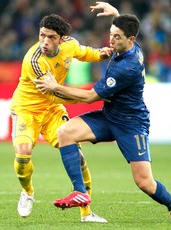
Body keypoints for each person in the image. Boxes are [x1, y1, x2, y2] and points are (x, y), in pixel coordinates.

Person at [34, 2, 171, 218]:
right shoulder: (129, 44)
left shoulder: (128, 67)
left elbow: (90, 97)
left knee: (144, 182)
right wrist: (116, 13)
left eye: (117, 37)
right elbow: (123, 27)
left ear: (131, 40)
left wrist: (55, 88)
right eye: (111, 34)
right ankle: (80, 192)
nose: (111, 40)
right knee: (65, 132)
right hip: (110, 116)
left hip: (131, 123)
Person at [10, 10, 113, 222]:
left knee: (78, 156)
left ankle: (86, 213)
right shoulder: (34, 61)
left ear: (62, 39)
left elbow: (83, 52)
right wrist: (89, 97)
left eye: (51, 37)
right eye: (42, 35)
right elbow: (55, 92)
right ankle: (28, 192)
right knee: (22, 154)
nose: (45, 41)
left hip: (52, 110)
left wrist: (100, 53)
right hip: (27, 110)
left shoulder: (69, 45)